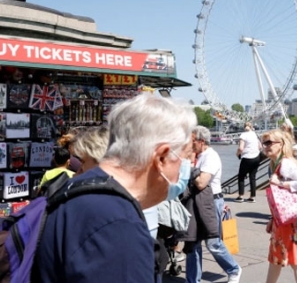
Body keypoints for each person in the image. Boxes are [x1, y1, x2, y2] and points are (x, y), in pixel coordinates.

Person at [35, 93, 197, 282]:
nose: (188, 166)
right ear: (161, 158)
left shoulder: (78, 189)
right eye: (185, 157)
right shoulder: (120, 229)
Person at [185, 126, 242, 283]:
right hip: (194, 202)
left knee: (213, 242)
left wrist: (189, 165)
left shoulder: (211, 156)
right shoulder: (198, 155)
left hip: (211, 202)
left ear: (201, 141)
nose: (189, 145)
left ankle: (234, 269)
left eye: (191, 141)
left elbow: (201, 182)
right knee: (193, 242)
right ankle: (192, 280)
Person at [263, 129, 297, 283]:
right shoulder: (275, 163)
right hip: (283, 219)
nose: (266, 146)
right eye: (265, 143)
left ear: (281, 144)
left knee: (296, 260)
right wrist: (273, 218)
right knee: (276, 258)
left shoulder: (285, 164)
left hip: (290, 220)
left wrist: (281, 183)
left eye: (270, 142)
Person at [236, 121, 261, 203]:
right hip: (256, 157)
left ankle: (241, 196)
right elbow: (260, 146)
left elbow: (241, 148)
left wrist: (237, 154)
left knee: (241, 177)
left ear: (244, 127)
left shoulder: (243, 135)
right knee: (252, 177)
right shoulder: (255, 134)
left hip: (246, 158)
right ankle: (252, 197)